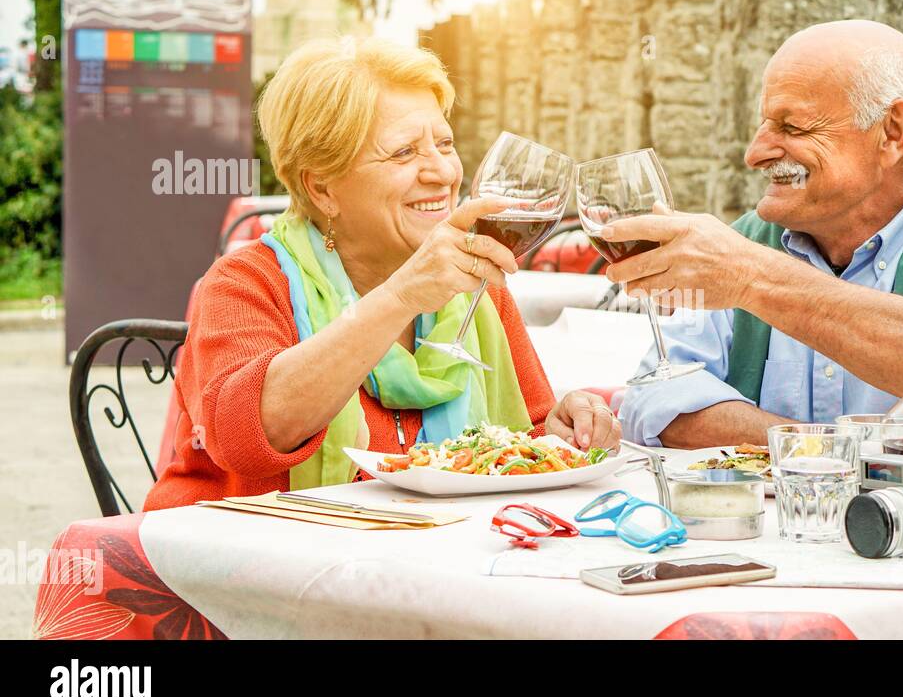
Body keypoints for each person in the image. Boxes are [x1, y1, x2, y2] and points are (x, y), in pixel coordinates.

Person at [144, 37, 619, 511]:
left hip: (417, 563)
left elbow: (523, 435)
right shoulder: (245, 283)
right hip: (243, 566)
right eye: (404, 153)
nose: (442, 172)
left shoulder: (476, 291)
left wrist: (558, 429)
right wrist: (401, 297)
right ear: (323, 187)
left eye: (445, 143)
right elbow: (246, 439)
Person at [609, 20, 903, 492]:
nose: (755, 153)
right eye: (764, 124)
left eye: (791, 126)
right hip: (794, 554)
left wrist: (753, 279)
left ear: (892, 131)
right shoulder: (753, 242)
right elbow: (655, 400)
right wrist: (828, 454)